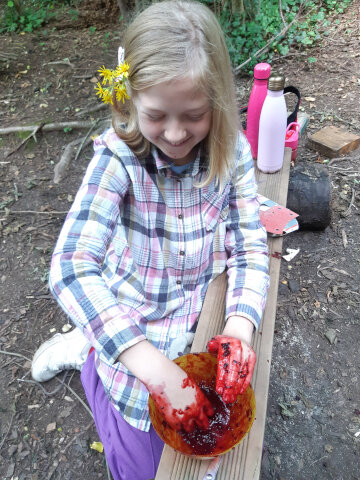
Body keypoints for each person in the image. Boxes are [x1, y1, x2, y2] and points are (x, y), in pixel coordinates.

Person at [31, 1, 269, 478]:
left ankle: (92, 342)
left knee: (211, 446)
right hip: (134, 319)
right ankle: (93, 350)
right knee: (143, 469)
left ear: (218, 104)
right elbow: (70, 266)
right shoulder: (117, 159)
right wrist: (153, 368)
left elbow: (248, 245)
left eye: (195, 115)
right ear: (129, 100)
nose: (177, 133)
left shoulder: (232, 152)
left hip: (197, 314)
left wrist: (240, 326)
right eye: (157, 115)